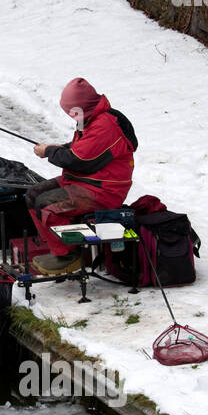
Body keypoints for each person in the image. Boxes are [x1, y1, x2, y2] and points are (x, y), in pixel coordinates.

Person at [25, 77, 137, 275]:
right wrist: (60, 148)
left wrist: (49, 152)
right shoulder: (91, 118)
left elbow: (79, 161)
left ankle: (70, 255)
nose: (70, 116)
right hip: (83, 181)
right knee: (33, 195)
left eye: (71, 111)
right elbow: (82, 150)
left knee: (46, 205)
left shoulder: (105, 126)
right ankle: (58, 248)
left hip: (103, 190)